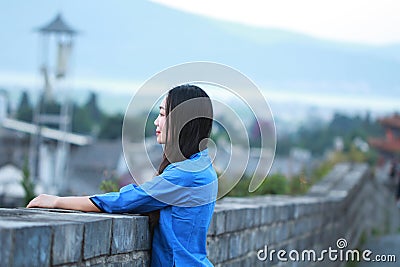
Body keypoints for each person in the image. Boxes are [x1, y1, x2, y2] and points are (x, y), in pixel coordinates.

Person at [27, 84, 218, 267]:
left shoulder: (187, 174)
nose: (156, 121)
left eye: (161, 114)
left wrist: (57, 202)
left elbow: (125, 201)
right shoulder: (201, 166)